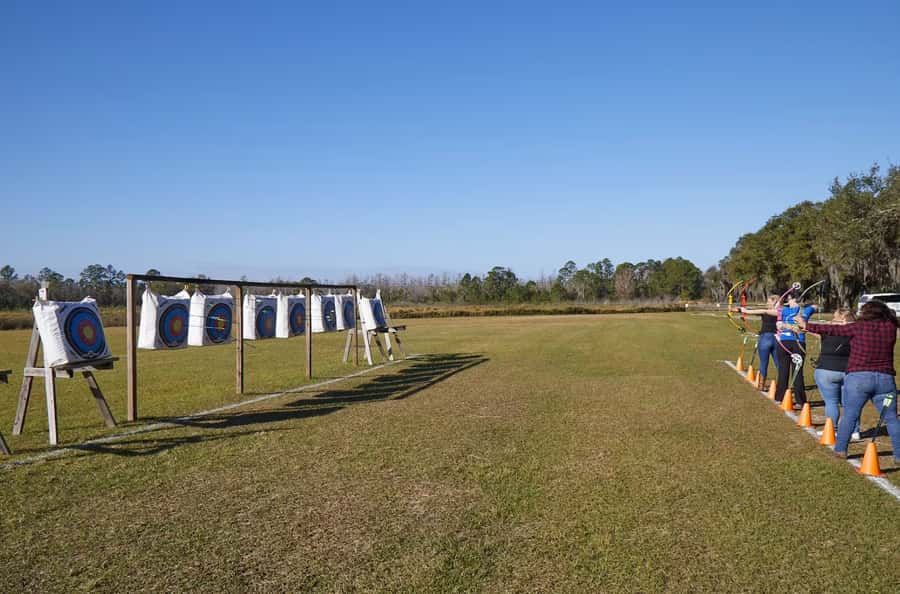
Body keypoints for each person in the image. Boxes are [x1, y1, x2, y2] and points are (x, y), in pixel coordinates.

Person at [796, 300, 899, 462]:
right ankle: (898, 455)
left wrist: (806, 325)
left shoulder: (859, 326)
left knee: (850, 415)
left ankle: (841, 449)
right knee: (891, 419)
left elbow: (832, 329)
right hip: (885, 380)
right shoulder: (890, 328)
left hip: (858, 379)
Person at [811, 308, 859, 438]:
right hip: (849, 371)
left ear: (842, 319)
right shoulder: (857, 332)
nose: (831, 321)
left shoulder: (829, 331)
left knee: (831, 402)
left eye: (834, 318)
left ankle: (832, 429)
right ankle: (855, 431)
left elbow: (808, 329)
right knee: (850, 403)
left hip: (827, 371)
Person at [773, 290, 815, 406]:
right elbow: (815, 306)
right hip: (798, 344)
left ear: (793, 299)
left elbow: (773, 308)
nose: (788, 301)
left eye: (789, 299)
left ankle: (780, 397)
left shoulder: (784, 310)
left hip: (785, 343)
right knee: (797, 372)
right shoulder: (806, 310)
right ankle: (800, 401)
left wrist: (781, 301)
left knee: (783, 371)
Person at [739, 295, 781, 390]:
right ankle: (782, 386)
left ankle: (761, 385)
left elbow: (753, 311)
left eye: (769, 301)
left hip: (765, 338)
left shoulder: (764, 311)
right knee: (779, 364)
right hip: (777, 339)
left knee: (763, 363)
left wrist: (741, 310)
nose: (767, 303)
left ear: (774, 302)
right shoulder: (781, 312)